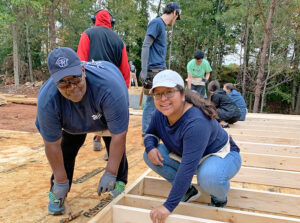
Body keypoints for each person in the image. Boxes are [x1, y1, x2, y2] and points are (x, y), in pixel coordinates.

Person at [35, 47, 129, 215]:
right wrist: (61, 181)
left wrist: (110, 172)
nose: (71, 87)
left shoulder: (109, 88)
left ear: (83, 70)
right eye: (63, 82)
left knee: (112, 142)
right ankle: (58, 191)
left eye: (75, 78)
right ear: (54, 81)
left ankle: (118, 180)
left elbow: (119, 135)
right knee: (67, 149)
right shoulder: (47, 101)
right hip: (71, 121)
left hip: (104, 117)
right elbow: (52, 144)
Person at [143, 70, 241, 223]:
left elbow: (187, 168)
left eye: (169, 92)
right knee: (149, 155)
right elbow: (150, 133)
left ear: (182, 95)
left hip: (220, 154)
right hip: (189, 154)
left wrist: (168, 206)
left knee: (209, 178)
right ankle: (188, 191)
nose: (163, 99)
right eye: (158, 94)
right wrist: (150, 147)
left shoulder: (196, 122)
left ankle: (219, 199)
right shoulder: (160, 113)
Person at [77, 9, 130, 160]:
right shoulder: (118, 41)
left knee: (93, 116)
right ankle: (111, 151)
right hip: (112, 89)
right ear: (111, 23)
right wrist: (123, 93)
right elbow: (124, 70)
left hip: (91, 87)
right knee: (112, 121)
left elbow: (81, 61)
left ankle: (96, 139)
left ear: (95, 21)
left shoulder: (87, 34)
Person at [139, 2, 181, 136]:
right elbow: (146, 46)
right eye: (177, 17)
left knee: (160, 101)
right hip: (153, 71)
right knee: (152, 102)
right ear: (174, 13)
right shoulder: (157, 23)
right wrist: (144, 70)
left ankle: (154, 130)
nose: (175, 21)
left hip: (159, 70)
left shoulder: (161, 26)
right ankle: (146, 132)